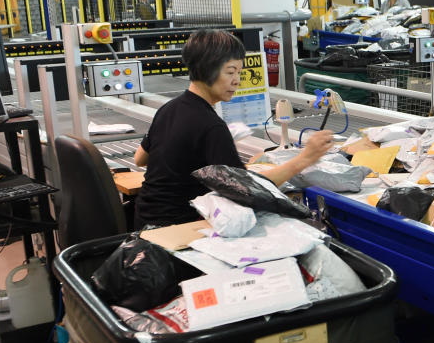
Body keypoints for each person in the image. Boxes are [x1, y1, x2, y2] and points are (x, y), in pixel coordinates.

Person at [134, 29, 330, 228]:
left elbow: (140, 159)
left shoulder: (168, 108)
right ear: (206, 69)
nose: (237, 80)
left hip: (144, 220)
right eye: (230, 72)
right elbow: (248, 191)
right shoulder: (211, 125)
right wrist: (306, 158)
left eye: (239, 72)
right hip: (178, 229)